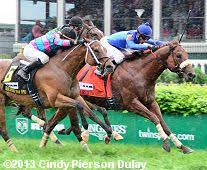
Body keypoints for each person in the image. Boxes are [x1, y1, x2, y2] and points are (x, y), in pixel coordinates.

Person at [17, 16, 84, 81]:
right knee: (45, 58)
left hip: (39, 50)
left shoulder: (63, 32)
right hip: (31, 49)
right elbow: (60, 42)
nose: (78, 31)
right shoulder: (55, 35)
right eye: (78, 29)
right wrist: (75, 42)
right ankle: (24, 71)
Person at [95, 22, 166, 76]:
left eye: (147, 38)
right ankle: (101, 69)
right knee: (119, 58)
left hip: (117, 46)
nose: (145, 40)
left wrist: (167, 43)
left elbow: (155, 42)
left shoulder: (140, 36)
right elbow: (131, 45)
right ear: (138, 34)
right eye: (144, 38)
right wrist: (147, 46)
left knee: (129, 55)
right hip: (107, 43)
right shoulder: (130, 35)